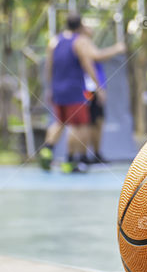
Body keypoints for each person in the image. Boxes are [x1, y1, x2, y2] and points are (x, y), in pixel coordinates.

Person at [38, 13, 123, 173]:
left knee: (60, 122)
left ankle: (47, 149)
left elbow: (49, 66)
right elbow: (87, 64)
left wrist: (49, 87)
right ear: (80, 26)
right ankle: (70, 161)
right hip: (75, 89)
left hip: (58, 89)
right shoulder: (79, 42)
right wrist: (99, 87)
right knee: (79, 125)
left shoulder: (54, 41)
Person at [67, 23, 125, 164]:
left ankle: (95, 154)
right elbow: (97, 56)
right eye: (87, 25)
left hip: (94, 88)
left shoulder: (85, 42)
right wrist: (116, 49)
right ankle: (79, 156)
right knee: (84, 123)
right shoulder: (81, 42)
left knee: (97, 122)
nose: (90, 28)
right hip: (88, 89)